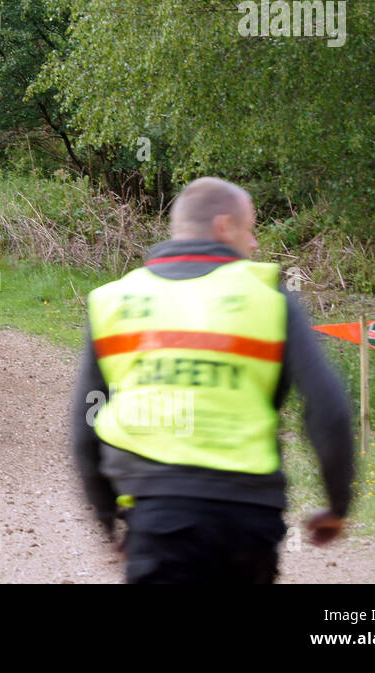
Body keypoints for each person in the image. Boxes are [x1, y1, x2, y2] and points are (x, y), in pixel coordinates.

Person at [71, 176, 354, 583]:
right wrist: (337, 505)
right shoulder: (271, 300)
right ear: (224, 227)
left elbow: (85, 429)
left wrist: (108, 523)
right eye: (250, 228)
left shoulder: (112, 301)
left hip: (157, 517)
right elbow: (329, 410)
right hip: (248, 519)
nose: (254, 243)